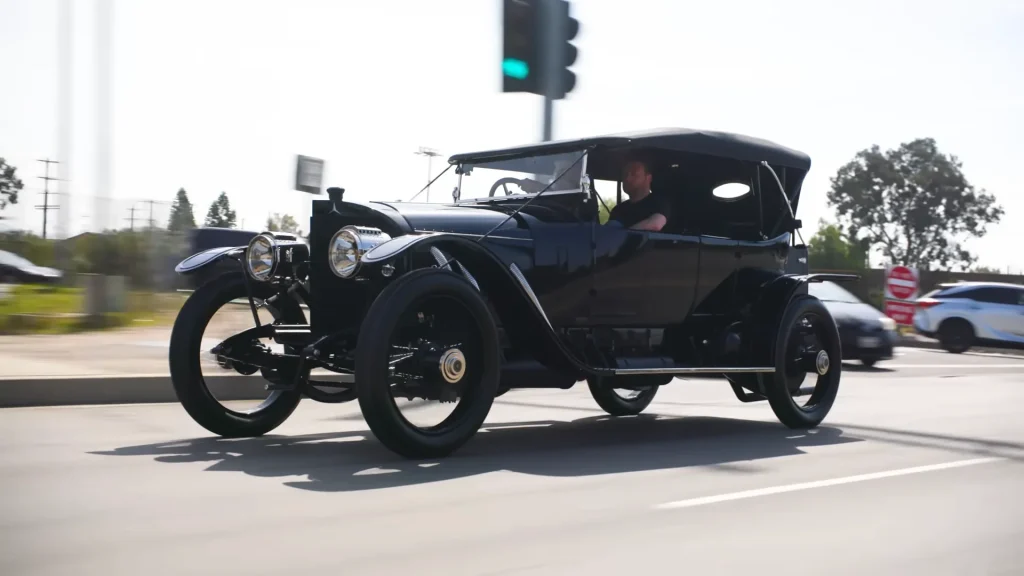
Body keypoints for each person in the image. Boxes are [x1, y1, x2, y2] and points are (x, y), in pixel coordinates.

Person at [606, 157, 670, 231]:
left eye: (634, 174)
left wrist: (623, 234)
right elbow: (610, 231)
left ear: (648, 178)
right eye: (625, 174)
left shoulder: (660, 203)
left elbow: (656, 224)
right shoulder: (618, 209)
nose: (627, 179)